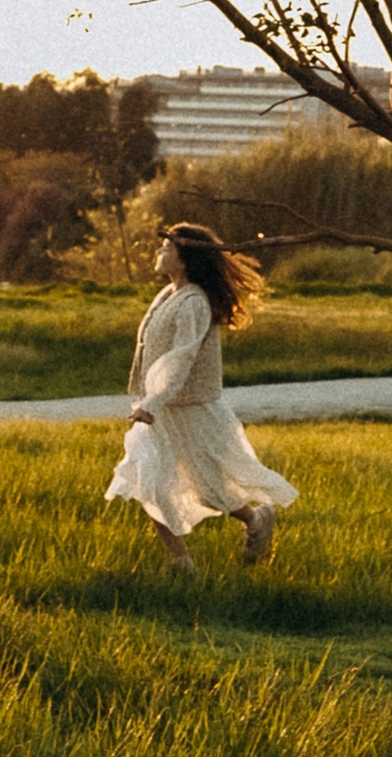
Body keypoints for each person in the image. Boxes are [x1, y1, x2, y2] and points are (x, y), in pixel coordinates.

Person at [107, 223, 298, 574]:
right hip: (159, 410)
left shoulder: (194, 301)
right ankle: (182, 565)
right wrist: (148, 401)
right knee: (151, 482)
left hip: (189, 410)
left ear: (184, 259)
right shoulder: (168, 294)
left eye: (166, 248)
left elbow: (182, 356)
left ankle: (255, 518)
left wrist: (152, 402)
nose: (158, 253)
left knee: (209, 488)